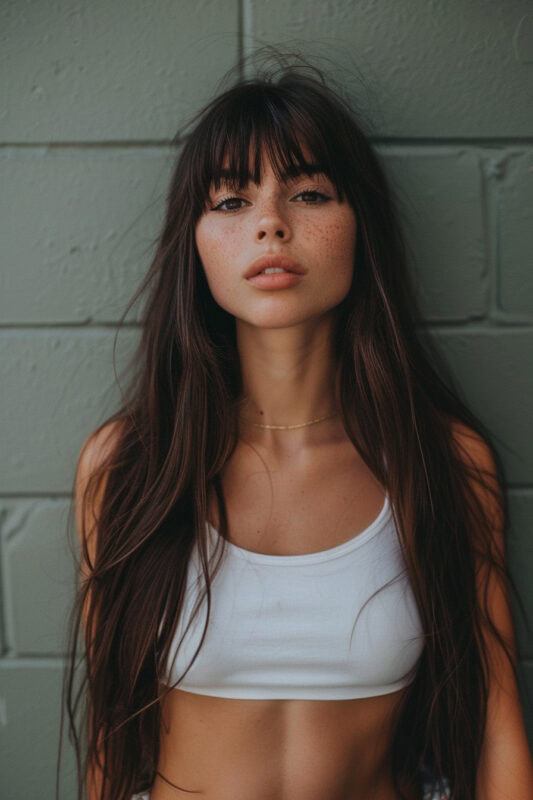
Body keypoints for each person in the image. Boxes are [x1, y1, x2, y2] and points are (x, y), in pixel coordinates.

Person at [62, 49, 533, 800]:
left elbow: (496, 727)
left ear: (358, 227)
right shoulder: (126, 465)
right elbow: (114, 746)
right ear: (194, 245)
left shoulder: (442, 458)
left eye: (309, 193)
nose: (271, 226)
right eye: (230, 202)